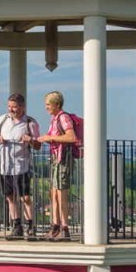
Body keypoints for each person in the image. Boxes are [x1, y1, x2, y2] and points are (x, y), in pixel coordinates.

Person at [0, 93, 39, 240]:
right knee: (10, 197)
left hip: (21, 166)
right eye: (9, 106)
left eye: (14, 107)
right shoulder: (2, 119)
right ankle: (16, 226)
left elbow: (38, 145)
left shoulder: (30, 123)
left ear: (22, 106)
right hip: (4, 166)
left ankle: (30, 226)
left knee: (25, 197)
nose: (11, 110)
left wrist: (30, 140)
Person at [37, 91, 79, 241]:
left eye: (48, 104)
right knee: (54, 193)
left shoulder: (63, 118)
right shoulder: (54, 119)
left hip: (63, 159)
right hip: (57, 158)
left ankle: (64, 227)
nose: (46, 107)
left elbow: (71, 137)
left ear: (57, 104)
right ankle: (56, 226)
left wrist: (50, 137)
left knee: (61, 193)